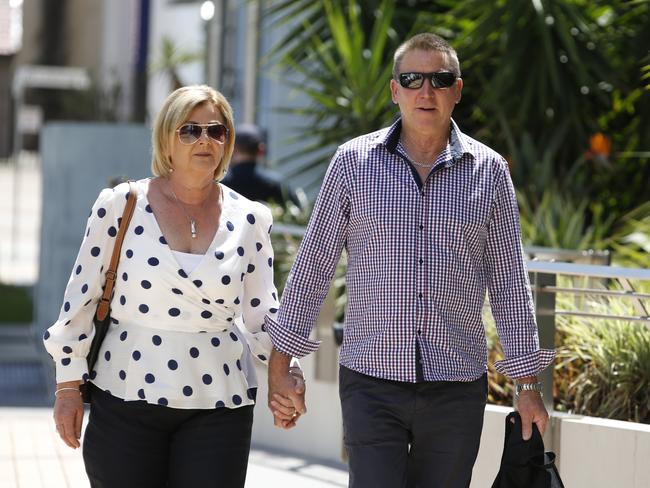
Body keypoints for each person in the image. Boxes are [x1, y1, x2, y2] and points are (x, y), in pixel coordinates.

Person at [265, 33, 555, 487]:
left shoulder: (490, 170)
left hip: (456, 383)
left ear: (457, 91)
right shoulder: (352, 163)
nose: (426, 90)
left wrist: (529, 387)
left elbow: (510, 284)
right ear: (394, 89)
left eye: (440, 79)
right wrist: (280, 366)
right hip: (371, 379)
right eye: (412, 78)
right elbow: (313, 265)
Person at [43, 85, 304, 488]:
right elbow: (81, 300)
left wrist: (285, 373)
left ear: (228, 143)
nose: (204, 140)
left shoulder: (251, 218)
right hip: (125, 395)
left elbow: (261, 313)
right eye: (190, 130)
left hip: (219, 403)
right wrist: (67, 387)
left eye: (216, 131)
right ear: (167, 140)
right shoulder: (122, 203)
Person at [221, 123, 302, 207]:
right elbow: (296, 212)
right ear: (261, 150)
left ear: (232, 149)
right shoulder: (276, 184)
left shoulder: (221, 184)